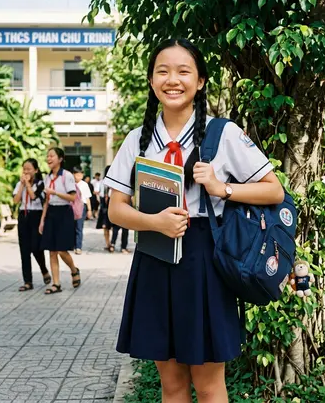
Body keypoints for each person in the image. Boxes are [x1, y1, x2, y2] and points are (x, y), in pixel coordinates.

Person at [104, 39, 284, 401]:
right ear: (152, 82)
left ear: (200, 81)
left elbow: (274, 191)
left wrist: (221, 188)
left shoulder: (223, 133)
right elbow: (115, 209)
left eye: (183, 71)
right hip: (154, 259)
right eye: (163, 71)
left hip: (204, 261)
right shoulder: (137, 140)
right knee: (170, 384)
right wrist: (155, 223)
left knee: (208, 384)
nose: (173, 80)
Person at [39, 147, 81, 294]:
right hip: (51, 212)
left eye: (52, 156)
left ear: (60, 159)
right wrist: (42, 220)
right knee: (52, 250)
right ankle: (56, 284)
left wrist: (55, 192)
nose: (49, 159)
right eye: (47, 156)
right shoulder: (47, 177)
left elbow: (72, 197)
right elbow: (46, 201)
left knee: (62, 250)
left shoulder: (67, 176)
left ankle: (74, 270)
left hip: (64, 213)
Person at [13, 158, 51, 291]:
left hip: (36, 215)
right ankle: (27, 281)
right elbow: (16, 200)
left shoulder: (40, 184)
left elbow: (34, 197)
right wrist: (22, 185)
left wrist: (28, 185)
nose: (26, 171)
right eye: (24, 169)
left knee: (36, 247)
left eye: (29, 169)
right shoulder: (19, 184)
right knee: (24, 250)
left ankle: (44, 269)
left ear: (36, 170)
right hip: (23, 215)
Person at [73, 166, 93, 255]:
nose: (79, 176)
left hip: (81, 206)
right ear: (73, 174)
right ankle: (72, 245)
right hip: (71, 207)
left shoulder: (84, 184)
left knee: (79, 227)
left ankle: (78, 247)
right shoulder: (70, 183)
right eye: (77, 174)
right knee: (71, 227)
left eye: (81, 174)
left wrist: (89, 210)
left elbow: (87, 198)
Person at [96, 165, 114, 251]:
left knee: (107, 227)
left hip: (106, 206)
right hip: (106, 206)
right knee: (107, 226)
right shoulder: (105, 183)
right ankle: (109, 243)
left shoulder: (102, 182)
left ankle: (109, 243)